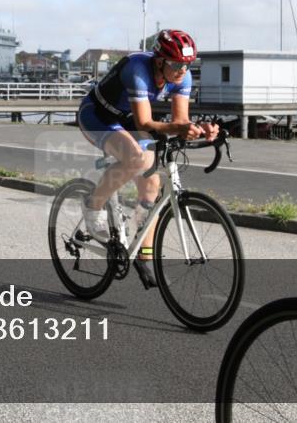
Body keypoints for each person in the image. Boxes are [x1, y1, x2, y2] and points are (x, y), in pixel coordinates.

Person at [76, 29, 217, 288]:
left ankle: (144, 255)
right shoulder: (138, 69)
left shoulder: (181, 78)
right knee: (135, 158)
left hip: (127, 120)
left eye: (187, 65)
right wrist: (180, 128)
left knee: (152, 184)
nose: (182, 71)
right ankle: (92, 205)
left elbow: (179, 121)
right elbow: (144, 122)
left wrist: (200, 128)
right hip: (97, 116)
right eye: (176, 64)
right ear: (160, 60)